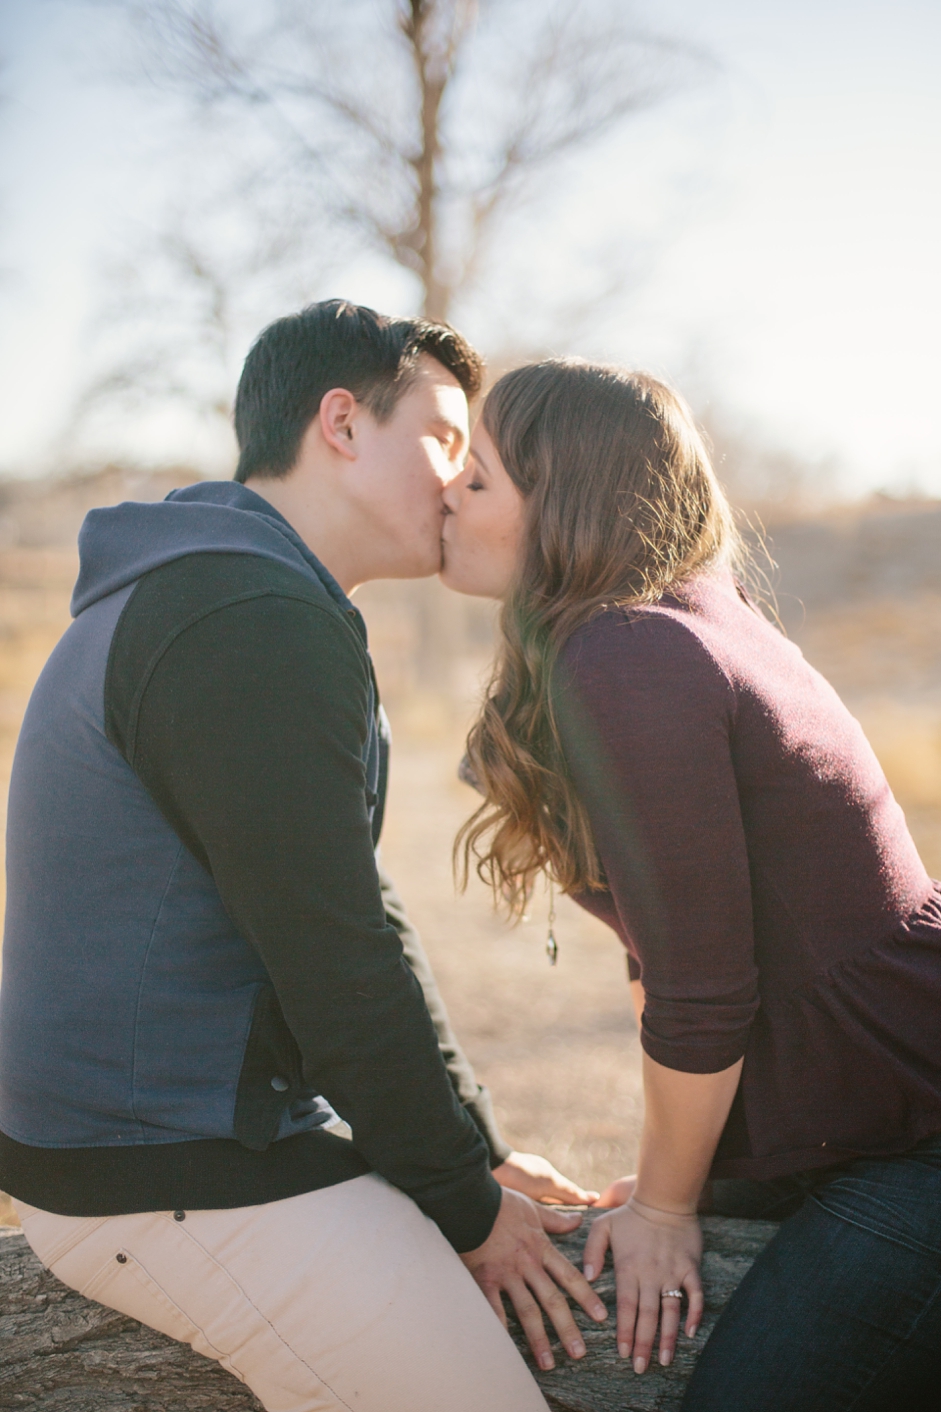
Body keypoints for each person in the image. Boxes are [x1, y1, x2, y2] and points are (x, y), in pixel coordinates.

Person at [0, 303, 610, 1412]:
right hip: (164, 1167)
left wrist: (470, 1148)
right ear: (340, 422)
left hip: (185, 1137)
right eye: (441, 437)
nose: (459, 476)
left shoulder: (231, 582)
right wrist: (469, 1209)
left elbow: (356, 906)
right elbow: (331, 954)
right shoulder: (242, 613)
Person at [440, 356, 941, 1411]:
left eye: (477, 476)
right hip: (861, 1111)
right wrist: (688, 1178)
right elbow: (659, 945)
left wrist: (668, 1207)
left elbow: (702, 987)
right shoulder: (659, 625)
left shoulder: (628, 651)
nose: (448, 492)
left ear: (562, 499)